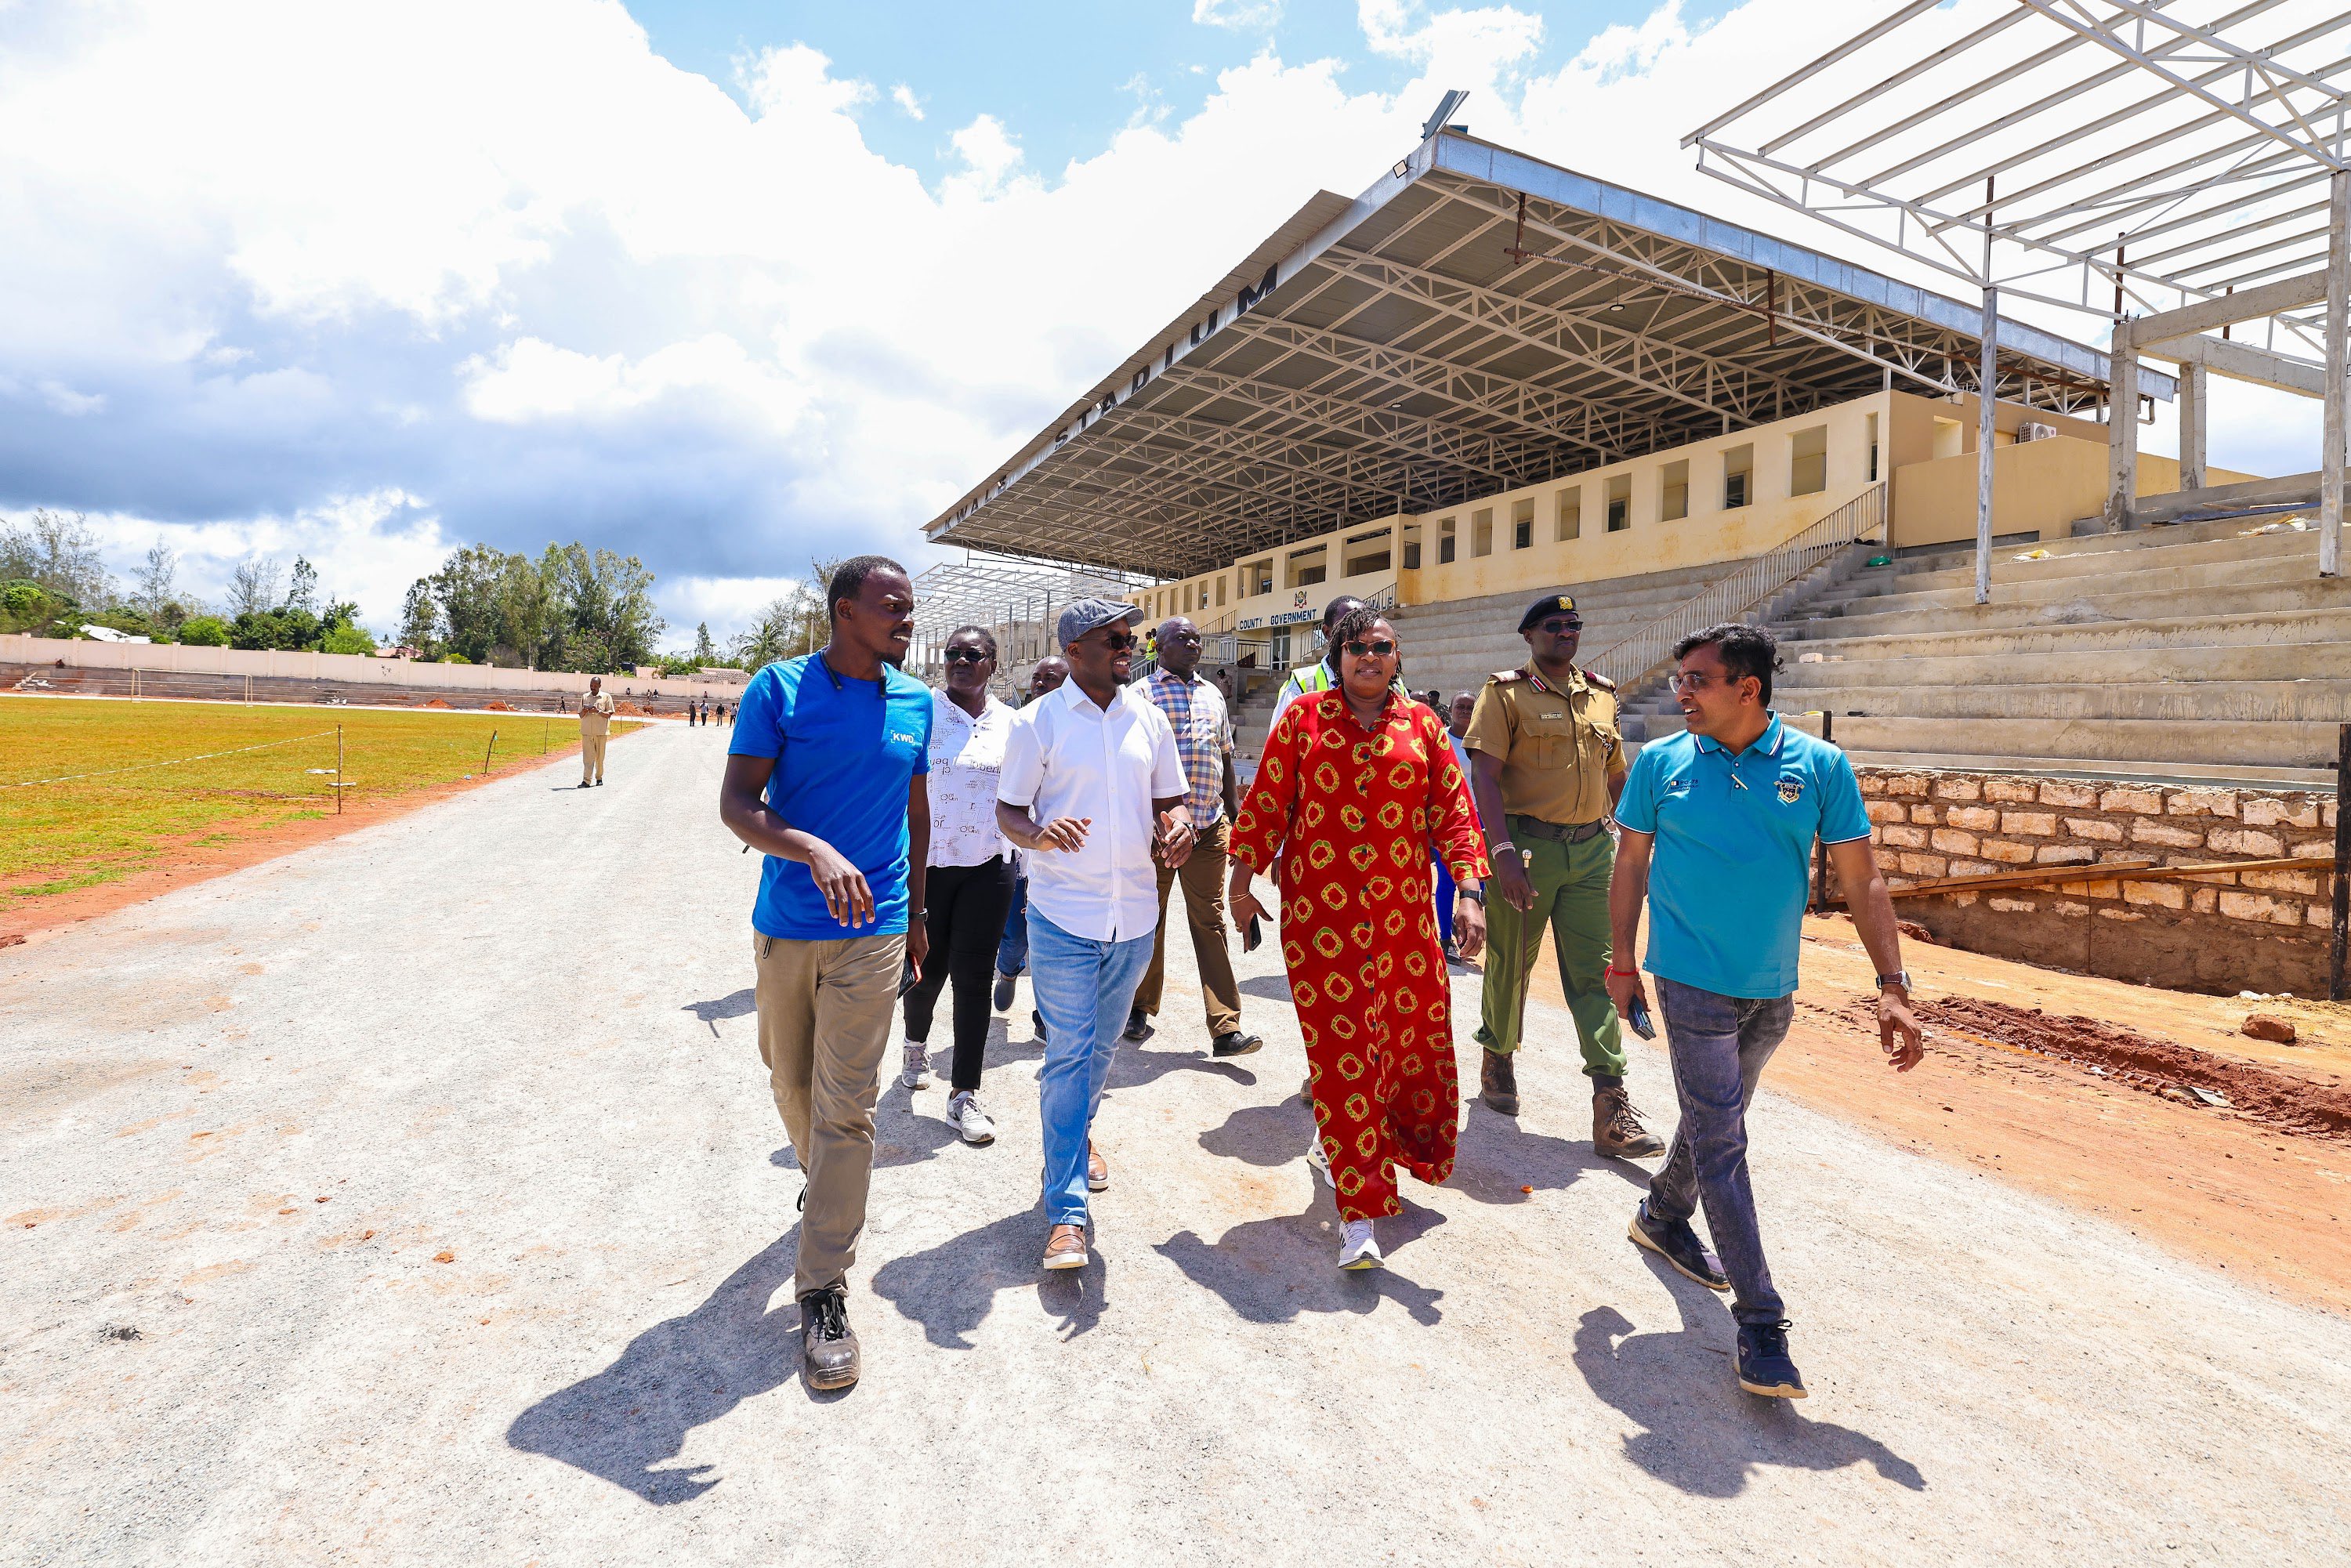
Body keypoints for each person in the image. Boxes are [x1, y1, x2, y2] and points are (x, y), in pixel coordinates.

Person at [1608, 622, 1923, 1401]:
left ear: (1748, 690)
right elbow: (1631, 862)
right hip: (1686, 981)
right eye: (1680, 678)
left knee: (1715, 1124)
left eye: (1698, 680)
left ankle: (1660, 1213)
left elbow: (1863, 879)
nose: (1680, 691)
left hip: (1772, 990)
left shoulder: (1818, 767)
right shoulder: (1660, 764)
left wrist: (1894, 985)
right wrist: (1620, 961)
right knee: (1724, 1142)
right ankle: (1760, 1324)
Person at [717, 555, 932, 1392]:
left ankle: (824, 1287)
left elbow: (914, 810)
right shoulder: (778, 689)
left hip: (874, 927)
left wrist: (916, 914)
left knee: (849, 1107)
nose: (907, 622)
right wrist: (808, 845)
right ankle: (826, 1191)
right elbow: (738, 804)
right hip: (790, 923)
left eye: (912, 610)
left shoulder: (914, 702)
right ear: (844, 611)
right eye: (893, 608)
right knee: (789, 1081)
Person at [1230, 607, 1487, 1270]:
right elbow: (1265, 806)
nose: (1369, 657)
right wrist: (1240, 881)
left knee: (1404, 1047)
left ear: (1397, 656)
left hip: (1405, 924)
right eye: (1356, 648)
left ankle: (1352, 1145)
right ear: (1338, 656)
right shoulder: (1303, 718)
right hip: (1322, 925)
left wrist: (1469, 891)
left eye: (1382, 647)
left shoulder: (1424, 727)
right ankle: (1360, 1208)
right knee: (1343, 1053)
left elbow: (1454, 815)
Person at [995, 601, 1191, 1273]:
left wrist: (1180, 826)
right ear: (1075, 648)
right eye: (1115, 638)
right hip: (1062, 916)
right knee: (1070, 1052)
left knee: (1101, 1050)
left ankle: (1075, 1135)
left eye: (1130, 637)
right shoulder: (1037, 723)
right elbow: (1009, 811)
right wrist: (1037, 835)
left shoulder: (1150, 717)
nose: (1128, 646)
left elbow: (1170, 800)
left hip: (1135, 916)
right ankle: (1067, 1213)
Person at [1465, 592, 1663, 1161]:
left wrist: (1641, 841)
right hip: (1526, 851)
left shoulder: (1601, 696)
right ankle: (1498, 1053)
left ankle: (1610, 1100)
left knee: (1596, 972)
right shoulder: (1504, 694)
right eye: (1553, 625)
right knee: (1510, 962)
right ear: (1529, 636)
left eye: (1574, 624)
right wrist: (1501, 852)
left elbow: (1617, 775)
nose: (1565, 632)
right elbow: (1485, 777)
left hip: (1592, 852)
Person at [899, 625, 1017, 1148]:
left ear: (993, 662)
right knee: (928, 973)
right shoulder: (923, 711)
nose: (960, 662)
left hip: (989, 867)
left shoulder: (1013, 723)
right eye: (952, 655)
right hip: (930, 865)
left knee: (974, 979)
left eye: (973, 655)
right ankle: (914, 1044)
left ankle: (964, 1094)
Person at [1128, 617, 1261, 1057]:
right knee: (1152, 916)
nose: (1191, 644)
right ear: (1158, 647)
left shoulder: (1213, 694)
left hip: (1208, 826)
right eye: (1180, 638)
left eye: (1195, 639)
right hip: (1159, 831)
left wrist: (1235, 815)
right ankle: (1138, 1008)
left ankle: (1226, 1027)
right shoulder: (1140, 695)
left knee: (1210, 921)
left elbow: (1223, 754)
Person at [994, 657, 1070, 1030]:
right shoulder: (1016, 724)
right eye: (1036, 678)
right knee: (1013, 935)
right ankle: (1008, 971)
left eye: (1050, 678)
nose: (1039, 684)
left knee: (1049, 941)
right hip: (1015, 853)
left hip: (1055, 859)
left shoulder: (1076, 732)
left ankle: (1045, 1017)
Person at [1267, 595, 1366, 734]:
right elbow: (1278, 748)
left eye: (1365, 627)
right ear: (1327, 633)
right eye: (1347, 628)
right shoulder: (1302, 684)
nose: (1358, 635)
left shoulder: (1390, 681)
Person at [1433, 691, 1480, 954]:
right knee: (1448, 880)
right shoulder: (1442, 739)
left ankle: (1463, 922)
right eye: (1459, 706)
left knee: (1478, 881)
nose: (1464, 711)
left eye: (1470, 707)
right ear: (1450, 709)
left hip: (1476, 818)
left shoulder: (1482, 742)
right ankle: (1445, 937)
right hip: (1447, 817)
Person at [578, 676, 614, 788]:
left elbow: (609, 714)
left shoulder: (606, 697)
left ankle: (599, 777)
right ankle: (586, 781)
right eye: (591, 685)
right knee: (587, 758)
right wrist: (585, 711)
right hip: (587, 731)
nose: (593, 688)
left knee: (600, 757)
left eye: (595, 686)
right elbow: (580, 715)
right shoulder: (585, 697)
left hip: (601, 732)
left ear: (599, 686)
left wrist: (597, 711)